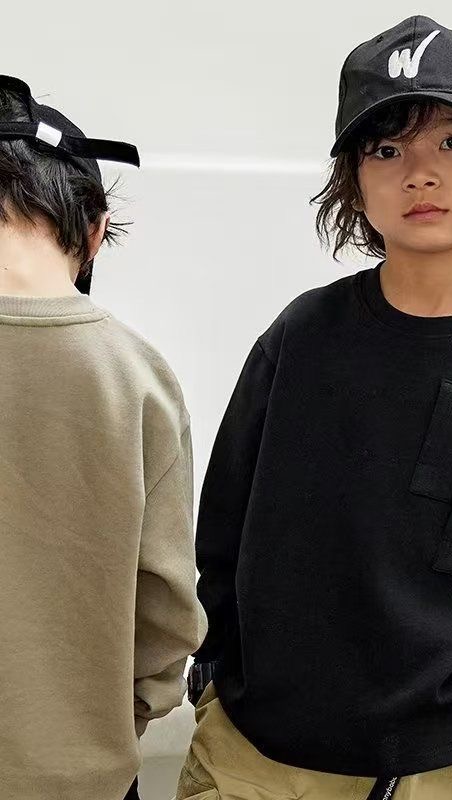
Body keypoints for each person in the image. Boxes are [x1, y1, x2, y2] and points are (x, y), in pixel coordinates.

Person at [176, 14, 452, 800]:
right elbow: (224, 530)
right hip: (259, 759)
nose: (419, 173)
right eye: (386, 149)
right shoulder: (301, 336)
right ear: (353, 179)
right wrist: (217, 676)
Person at [0, 75, 208, 800]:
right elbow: (168, 608)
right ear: (94, 232)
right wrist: (119, 719)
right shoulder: (138, 377)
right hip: (81, 774)